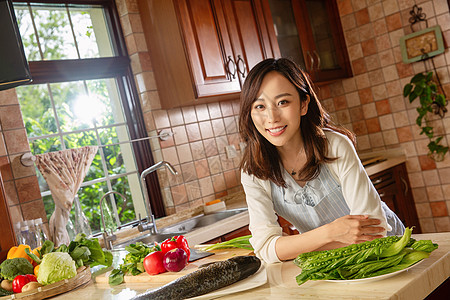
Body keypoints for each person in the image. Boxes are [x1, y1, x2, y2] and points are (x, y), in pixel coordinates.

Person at [239, 58, 405, 264]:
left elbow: (373, 229)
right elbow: (265, 248)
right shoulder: (254, 171)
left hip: (388, 253)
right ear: (250, 113)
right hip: (332, 265)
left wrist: (296, 247)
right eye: (260, 106)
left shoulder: (335, 146)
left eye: (283, 102)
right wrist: (331, 233)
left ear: (303, 104)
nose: (272, 117)